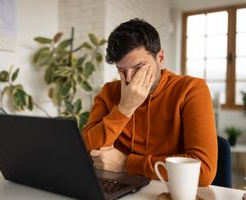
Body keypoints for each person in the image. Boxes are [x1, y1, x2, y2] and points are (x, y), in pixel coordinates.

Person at [82, 18, 217, 186]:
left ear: (160, 58)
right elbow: (84, 151)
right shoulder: (109, 91)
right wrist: (125, 109)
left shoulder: (191, 89)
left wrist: (126, 164)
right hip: (117, 189)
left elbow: (203, 170)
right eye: (122, 71)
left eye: (139, 68)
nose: (130, 80)